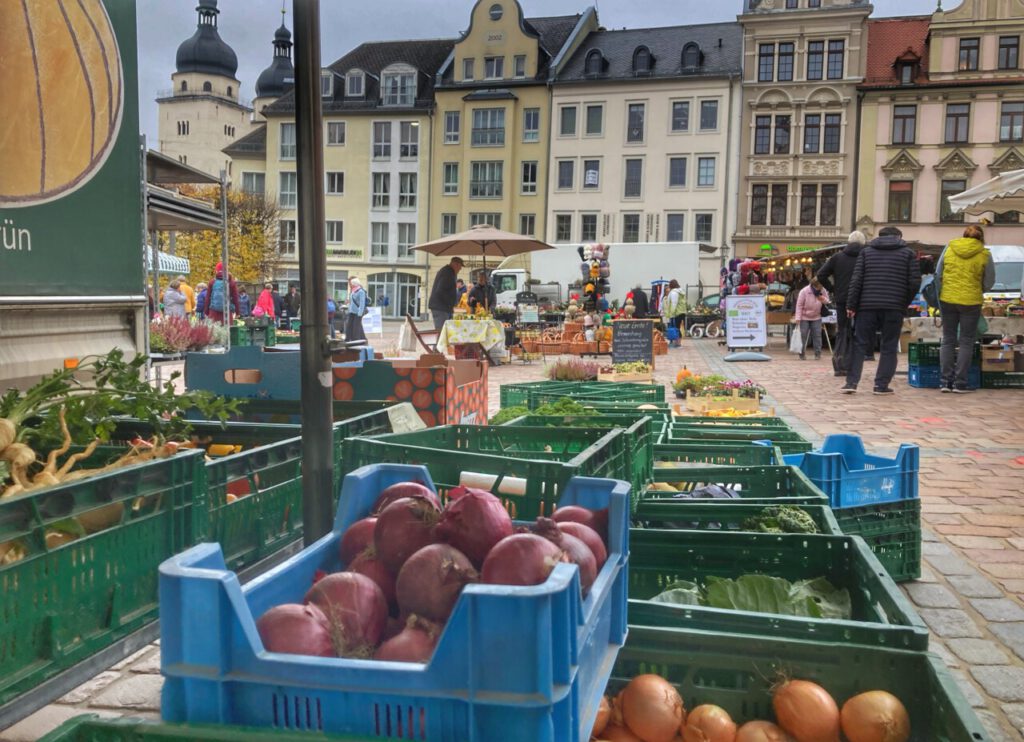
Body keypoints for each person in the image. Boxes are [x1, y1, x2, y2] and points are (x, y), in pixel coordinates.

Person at [843, 226, 920, 395]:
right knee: (889, 345)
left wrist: (851, 305)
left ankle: (851, 382)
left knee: (860, 344)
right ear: (899, 236)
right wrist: (903, 302)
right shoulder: (908, 253)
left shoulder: (866, 252)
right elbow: (914, 283)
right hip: (894, 307)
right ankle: (881, 385)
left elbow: (856, 281)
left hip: (866, 306)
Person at [936, 225, 995, 393]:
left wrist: (946, 289)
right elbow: (989, 280)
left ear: (963, 236)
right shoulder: (985, 254)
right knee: (966, 341)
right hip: (971, 301)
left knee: (948, 339)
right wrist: (979, 289)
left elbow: (938, 273)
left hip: (948, 299)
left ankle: (945, 382)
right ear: (981, 238)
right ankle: (960, 383)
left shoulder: (950, 248)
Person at [817, 231, 874, 366]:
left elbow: (821, 275)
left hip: (842, 298)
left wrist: (832, 289)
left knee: (843, 330)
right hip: (863, 299)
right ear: (863, 243)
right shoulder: (868, 256)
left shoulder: (837, 257)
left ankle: (841, 360)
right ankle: (862, 358)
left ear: (848, 241)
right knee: (862, 329)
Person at [794, 278, 829, 360]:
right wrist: (798, 318)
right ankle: (801, 353)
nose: (820, 289)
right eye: (818, 287)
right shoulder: (804, 291)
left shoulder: (823, 290)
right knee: (803, 335)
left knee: (817, 335)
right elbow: (799, 305)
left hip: (817, 316)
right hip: (804, 317)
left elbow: (827, 301)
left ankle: (818, 353)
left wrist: (823, 299)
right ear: (814, 285)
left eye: (821, 287)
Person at [428, 257, 464, 330]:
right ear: (455, 264)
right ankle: (439, 342)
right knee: (442, 333)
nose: (460, 269)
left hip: (442, 307)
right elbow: (440, 290)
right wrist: (450, 304)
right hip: (441, 308)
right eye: (460, 267)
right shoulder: (447, 273)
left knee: (444, 332)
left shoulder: (448, 271)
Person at [662, 279, 686, 348]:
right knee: (678, 328)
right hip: (682, 312)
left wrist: (672, 314)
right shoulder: (680, 291)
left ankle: (678, 344)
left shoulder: (674, 292)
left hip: (676, 313)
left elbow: (674, 303)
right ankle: (678, 343)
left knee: (676, 328)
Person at [345, 278, 368, 344]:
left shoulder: (361, 291)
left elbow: (362, 303)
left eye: (351, 283)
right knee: (349, 325)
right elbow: (352, 302)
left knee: (356, 327)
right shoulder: (353, 291)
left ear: (354, 284)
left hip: (358, 312)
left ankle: (356, 340)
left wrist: (360, 313)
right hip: (351, 311)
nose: (350, 285)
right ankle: (347, 339)